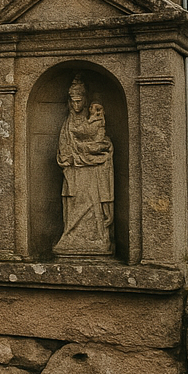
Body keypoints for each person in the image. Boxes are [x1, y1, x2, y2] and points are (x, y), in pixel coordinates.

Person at [53, 76, 114, 256]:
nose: (76, 105)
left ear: (85, 100)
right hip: (74, 173)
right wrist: (73, 156)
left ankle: (97, 239)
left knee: (93, 206)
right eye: (73, 101)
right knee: (73, 205)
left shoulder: (95, 119)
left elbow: (104, 143)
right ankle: (71, 237)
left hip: (93, 174)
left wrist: (87, 150)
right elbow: (63, 149)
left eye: (79, 101)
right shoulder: (68, 123)